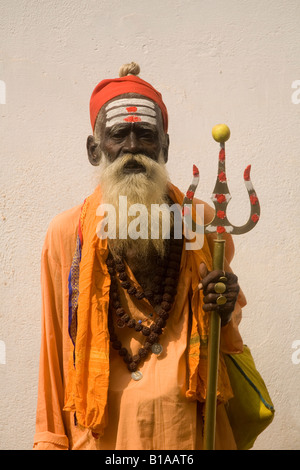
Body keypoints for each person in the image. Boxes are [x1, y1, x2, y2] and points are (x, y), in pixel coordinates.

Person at [33, 62, 246, 450]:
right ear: (94, 149)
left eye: (145, 135)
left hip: (193, 437)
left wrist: (225, 308)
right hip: (106, 440)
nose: (132, 148)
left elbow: (227, 340)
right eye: (119, 134)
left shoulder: (202, 224)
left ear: (164, 146)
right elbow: (54, 351)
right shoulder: (67, 234)